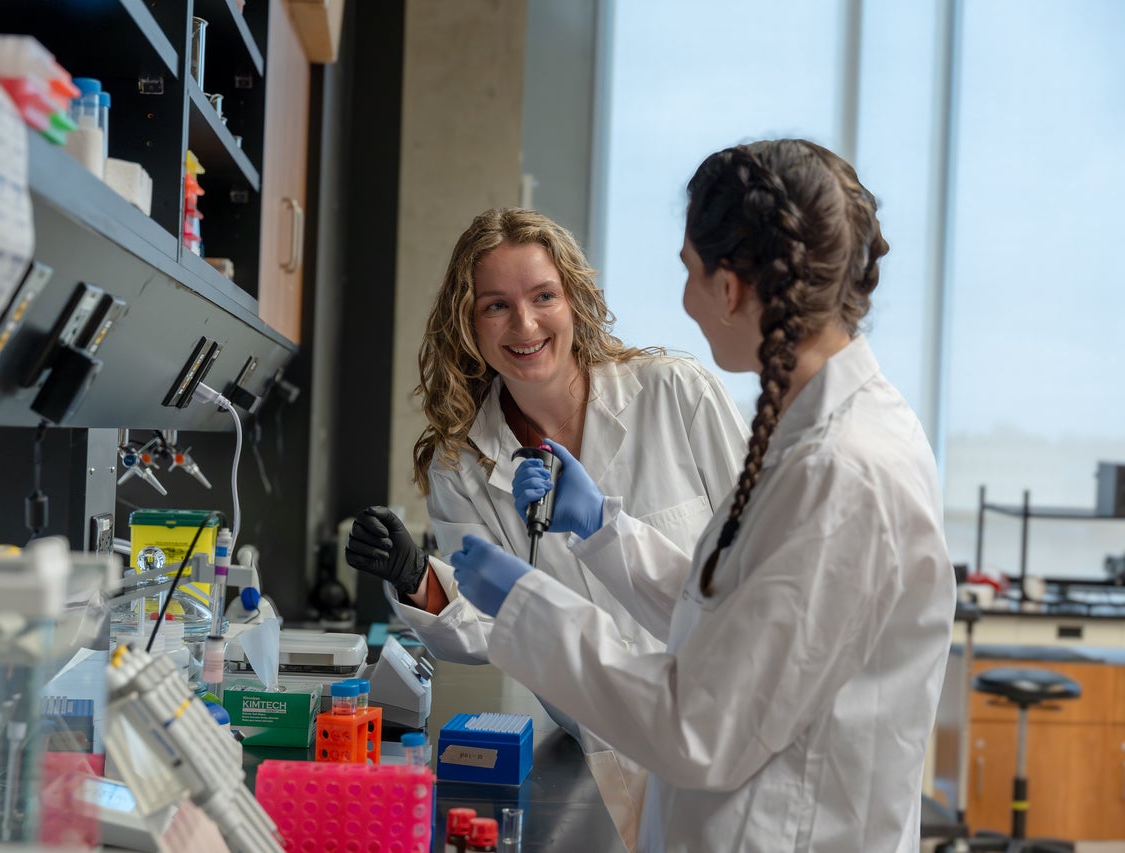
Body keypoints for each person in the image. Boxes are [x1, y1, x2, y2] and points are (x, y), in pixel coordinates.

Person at [448, 140, 956, 851]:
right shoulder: (817, 438)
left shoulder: (844, 471)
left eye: (690, 271)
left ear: (730, 288)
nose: (684, 298)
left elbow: (698, 724)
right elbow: (729, 618)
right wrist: (603, 530)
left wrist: (530, 606)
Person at [344, 207, 749, 848]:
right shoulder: (463, 463)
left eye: (543, 297)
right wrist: (418, 579)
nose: (525, 324)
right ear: (468, 323)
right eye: (496, 306)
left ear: (574, 301)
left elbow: (752, 568)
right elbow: (492, 628)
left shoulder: (677, 394)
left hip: (724, 728)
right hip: (604, 742)